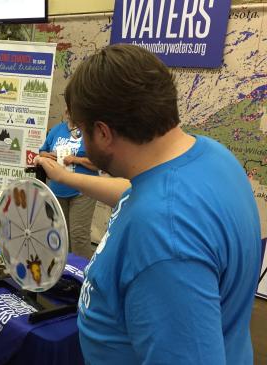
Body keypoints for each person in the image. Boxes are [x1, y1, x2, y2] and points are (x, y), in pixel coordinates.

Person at [35, 44, 261, 364]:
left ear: (102, 133)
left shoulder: (163, 235)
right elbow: (136, 192)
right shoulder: (209, 156)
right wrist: (67, 178)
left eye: (82, 131)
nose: (81, 139)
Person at [39, 99, 99, 259]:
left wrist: (76, 159)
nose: (67, 110)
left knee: (78, 236)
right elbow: (42, 152)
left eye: (72, 107)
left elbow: (97, 164)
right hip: (57, 190)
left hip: (82, 191)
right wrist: (49, 155)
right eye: (67, 106)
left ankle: (81, 277)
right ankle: (63, 273)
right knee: (60, 235)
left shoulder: (89, 133)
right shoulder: (57, 130)